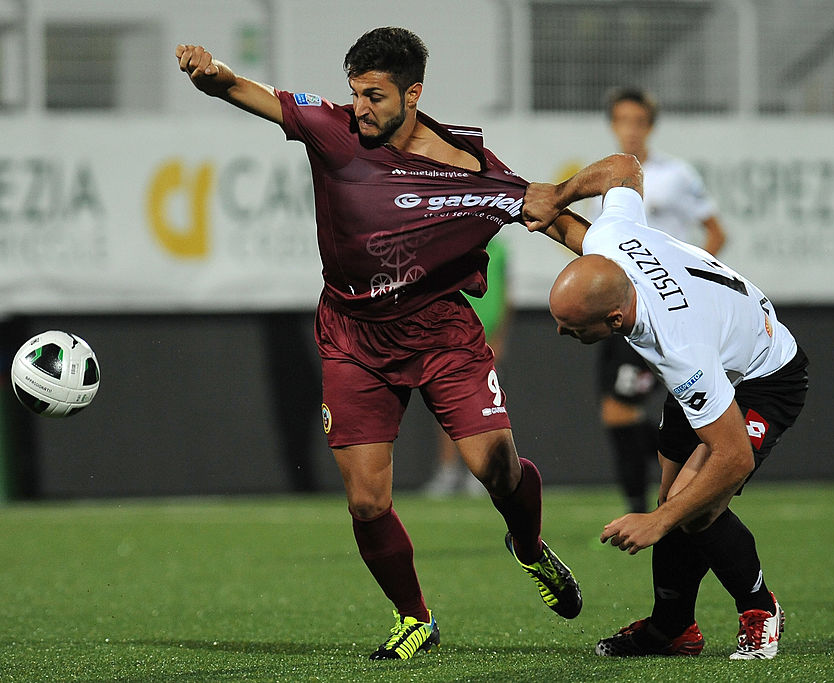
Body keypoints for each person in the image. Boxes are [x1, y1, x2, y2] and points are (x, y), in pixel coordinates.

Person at [176, 28, 581, 661]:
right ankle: (414, 616)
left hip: (440, 332)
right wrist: (210, 73)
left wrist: (621, 266)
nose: (359, 108)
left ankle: (527, 547)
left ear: (412, 93)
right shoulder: (332, 130)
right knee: (367, 501)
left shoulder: (468, 167)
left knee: (496, 469)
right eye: (354, 93)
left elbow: (546, 211)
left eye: (373, 96)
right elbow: (243, 89)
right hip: (351, 336)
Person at [523, 152, 808, 660]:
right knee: (675, 497)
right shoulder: (611, 242)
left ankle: (759, 607)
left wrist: (658, 524)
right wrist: (557, 196)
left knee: (696, 505)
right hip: (722, 351)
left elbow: (735, 458)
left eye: (572, 327)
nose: (561, 332)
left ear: (613, 320)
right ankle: (673, 627)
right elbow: (623, 168)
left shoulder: (678, 348)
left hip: (764, 373)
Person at [596, 87, 728, 514]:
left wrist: (692, 281)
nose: (630, 130)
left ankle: (653, 501)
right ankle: (648, 500)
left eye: (638, 121)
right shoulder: (607, 177)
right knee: (619, 411)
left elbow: (715, 232)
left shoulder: (676, 175)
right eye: (622, 121)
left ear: (650, 126)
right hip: (621, 312)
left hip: (662, 310)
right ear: (613, 125)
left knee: (629, 409)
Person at [423, 235, 511, 497]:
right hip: (454, 334)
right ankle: (448, 471)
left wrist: (500, 338)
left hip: (487, 338)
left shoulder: (499, 250)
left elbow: (506, 295)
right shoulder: (455, 244)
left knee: (490, 406)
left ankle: (485, 472)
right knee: (449, 406)